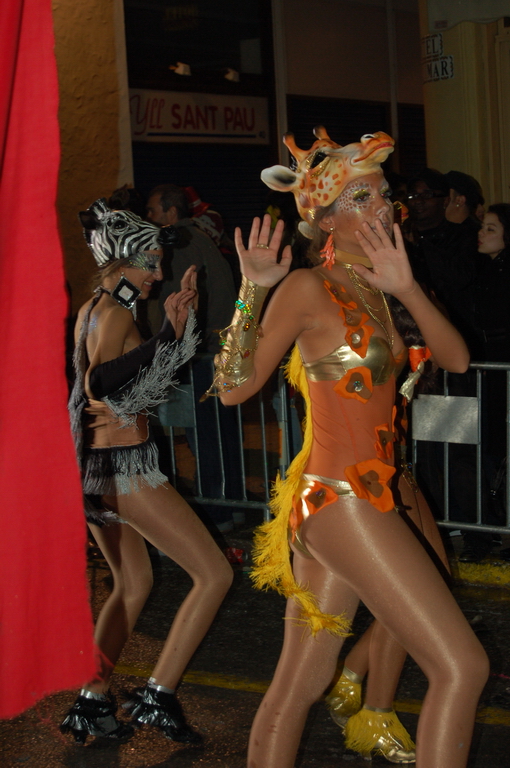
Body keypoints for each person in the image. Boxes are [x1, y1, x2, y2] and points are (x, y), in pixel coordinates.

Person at [205, 128, 489, 768]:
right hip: (341, 500)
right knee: (462, 666)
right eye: (362, 198)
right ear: (324, 217)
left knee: (299, 686)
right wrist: (252, 288)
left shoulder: (387, 286)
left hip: (376, 496)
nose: (383, 207)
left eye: (383, 194)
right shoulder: (311, 290)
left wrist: (409, 286)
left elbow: (458, 359)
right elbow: (232, 390)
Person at [60, 199, 233, 744]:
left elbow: (123, 380)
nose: (158, 273)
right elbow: (102, 385)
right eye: (152, 262)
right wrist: (166, 338)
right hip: (124, 469)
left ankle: (92, 700)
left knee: (133, 584)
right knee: (215, 575)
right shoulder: (112, 313)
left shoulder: (99, 307)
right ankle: (160, 692)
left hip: (96, 469)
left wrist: (174, 330)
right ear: (126, 259)